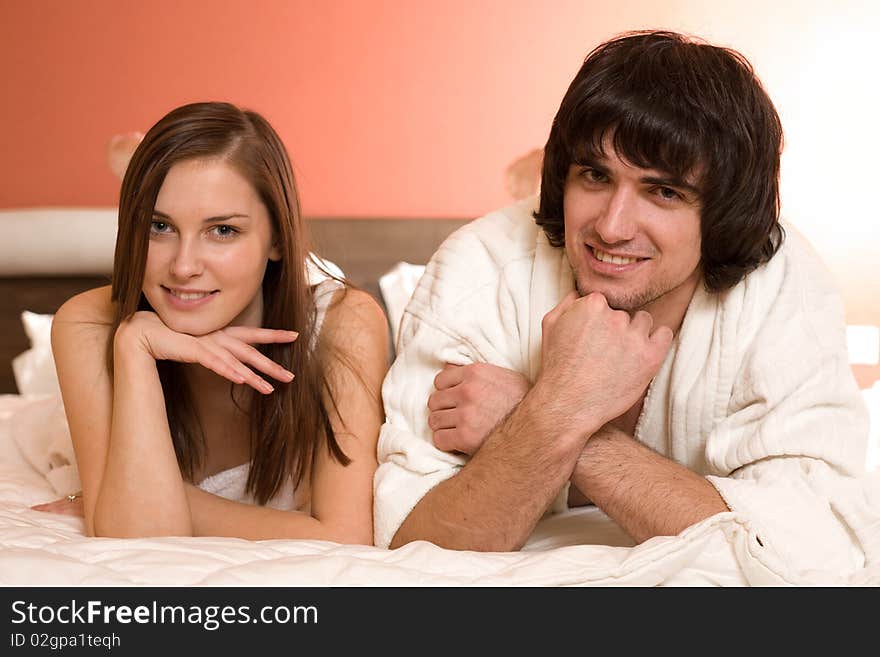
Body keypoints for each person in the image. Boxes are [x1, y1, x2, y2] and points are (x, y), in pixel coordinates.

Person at [373, 30, 869, 569]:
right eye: (594, 176)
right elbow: (413, 542)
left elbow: (817, 556)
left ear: (724, 212)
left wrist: (546, 415)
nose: (611, 227)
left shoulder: (782, 285)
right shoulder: (481, 266)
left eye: (664, 191)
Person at [33, 102, 389, 543]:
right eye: (158, 226)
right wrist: (137, 342)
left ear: (278, 237)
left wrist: (118, 496)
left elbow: (346, 537)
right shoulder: (89, 324)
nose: (183, 266)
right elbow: (136, 537)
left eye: (222, 230)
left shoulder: (345, 323)